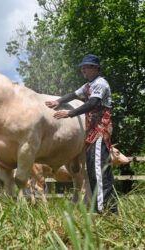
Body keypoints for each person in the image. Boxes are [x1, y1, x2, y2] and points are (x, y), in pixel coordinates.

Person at [45, 54, 117, 214]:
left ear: (96, 68)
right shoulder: (88, 85)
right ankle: (111, 209)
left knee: (98, 169)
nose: (83, 69)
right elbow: (74, 95)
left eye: (87, 67)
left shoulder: (100, 84)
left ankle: (101, 210)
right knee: (96, 168)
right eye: (82, 67)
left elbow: (92, 103)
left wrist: (69, 114)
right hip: (92, 131)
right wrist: (59, 101)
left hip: (100, 130)